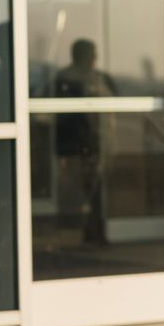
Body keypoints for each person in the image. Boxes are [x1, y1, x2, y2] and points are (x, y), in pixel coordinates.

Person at [54, 38, 117, 244]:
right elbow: (63, 118)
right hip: (80, 145)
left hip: (98, 143)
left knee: (96, 189)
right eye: (91, 53)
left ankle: (94, 231)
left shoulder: (99, 78)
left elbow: (116, 104)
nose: (95, 58)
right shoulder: (67, 79)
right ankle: (88, 232)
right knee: (86, 191)